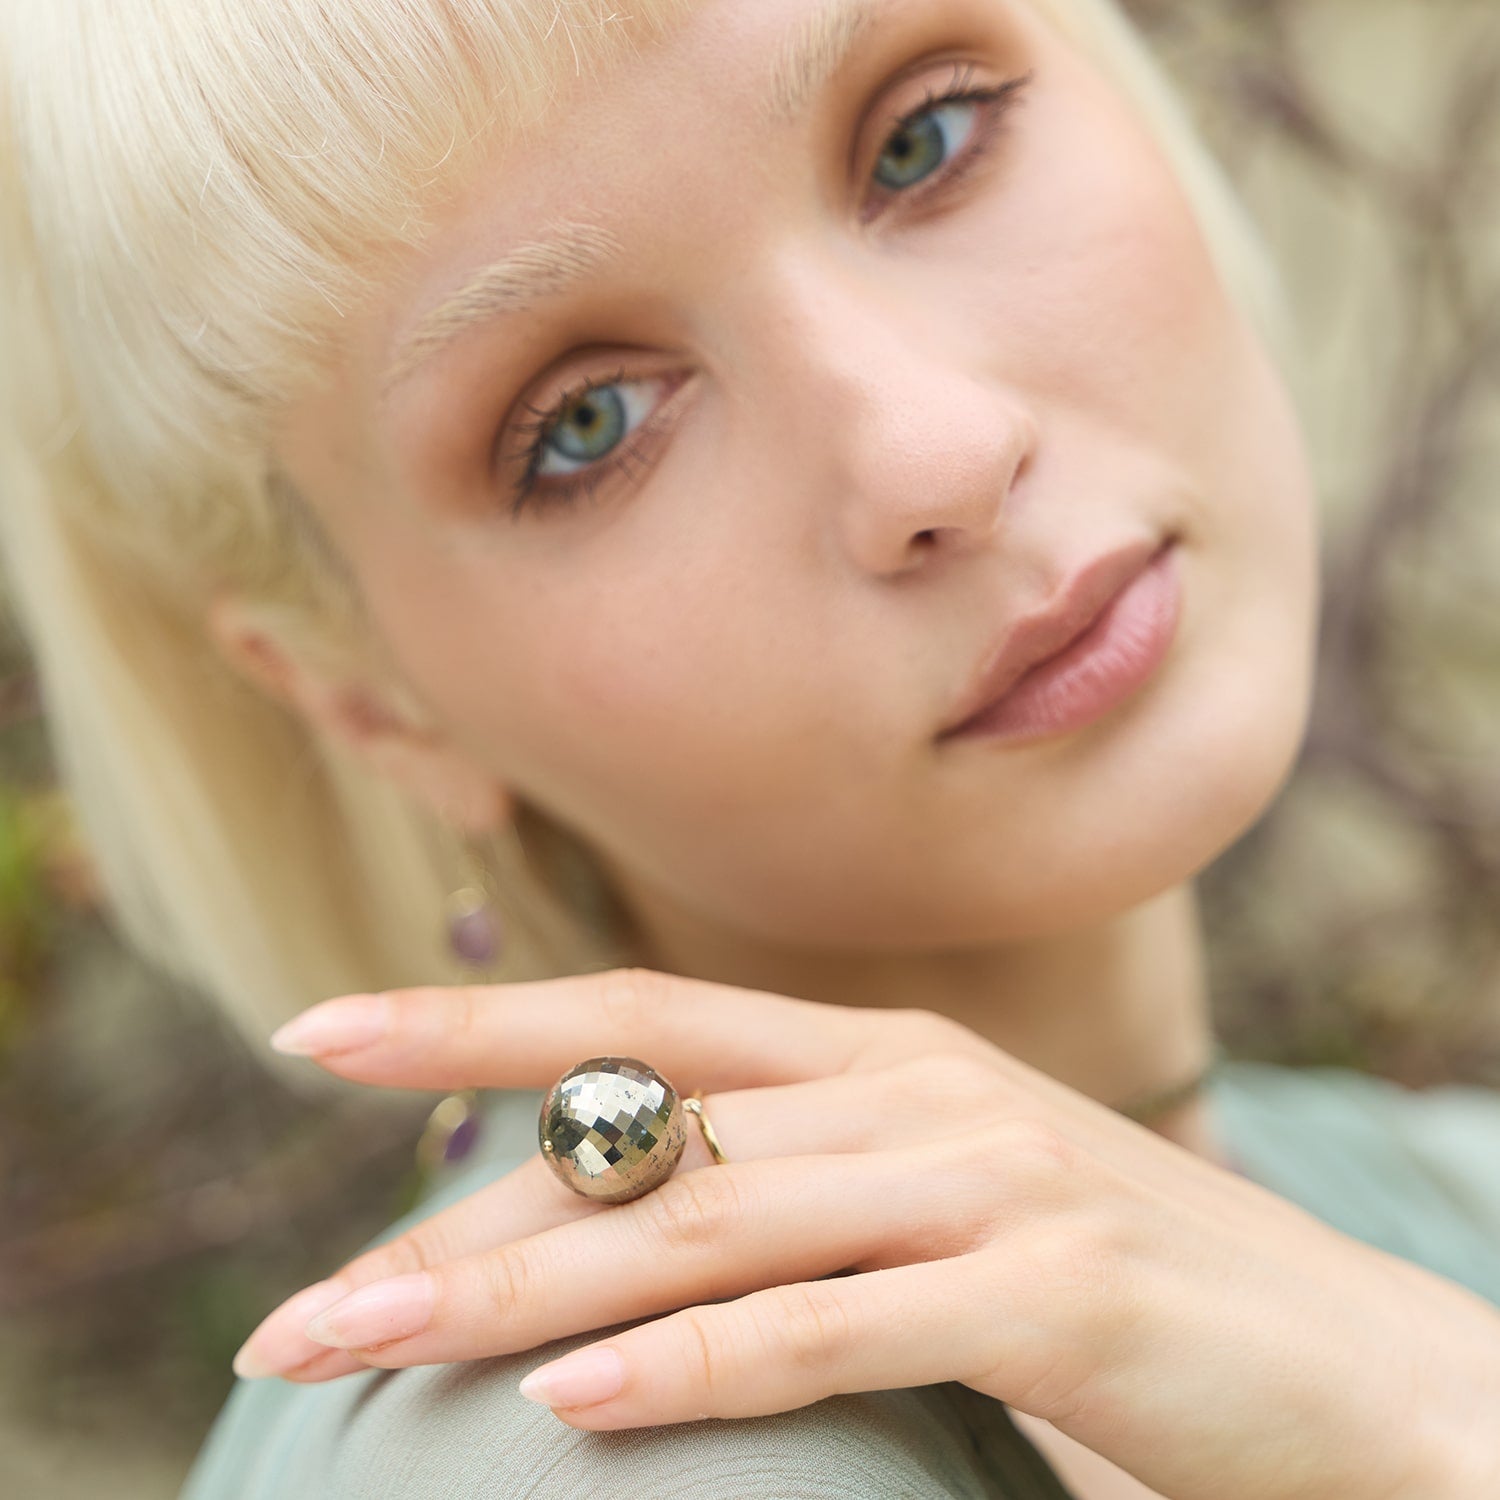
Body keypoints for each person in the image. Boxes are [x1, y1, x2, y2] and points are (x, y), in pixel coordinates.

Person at [1, 0, 1497, 1495]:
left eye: (926, 140)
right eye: (588, 422)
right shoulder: (625, 1441)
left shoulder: (1431, 1192)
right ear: (371, 700)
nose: (943, 453)